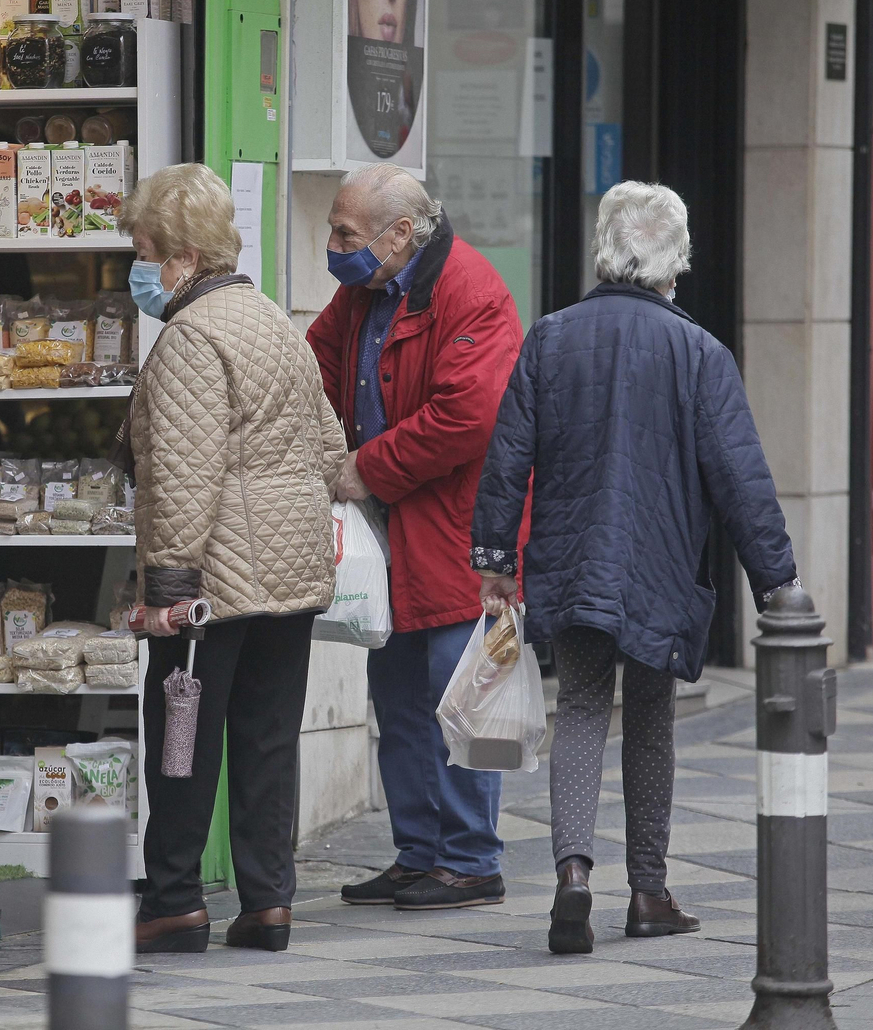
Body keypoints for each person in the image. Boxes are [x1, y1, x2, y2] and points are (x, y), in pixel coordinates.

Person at [471, 181, 798, 955]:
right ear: (672, 262)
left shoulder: (550, 337)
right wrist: (777, 581)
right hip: (659, 563)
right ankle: (648, 891)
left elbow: (507, 456)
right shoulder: (699, 352)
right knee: (650, 720)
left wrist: (492, 561)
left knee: (580, 707)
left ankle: (573, 876)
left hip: (572, 556)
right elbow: (741, 480)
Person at [116, 163, 347, 955]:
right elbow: (329, 446)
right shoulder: (273, 319)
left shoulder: (191, 336)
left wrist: (169, 588)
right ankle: (267, 902)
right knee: (266, 739)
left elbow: (182, 473)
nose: (137, 265)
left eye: (143, 249)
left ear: (180, 255)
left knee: (180, 740)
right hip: (291, 572)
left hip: (211, 586)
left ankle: (176, 900)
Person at [307, 162, 523, 911]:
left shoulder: (471, 290)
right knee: (397, 698)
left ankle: (471, 859)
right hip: (393, 527)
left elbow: (470, 417)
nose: (332, 246)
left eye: (345, 233)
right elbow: (319, 360)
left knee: (461, 698)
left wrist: (368, 466)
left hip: (453, 529)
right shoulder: (365, 289)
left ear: (401, 234)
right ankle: (419, 853)